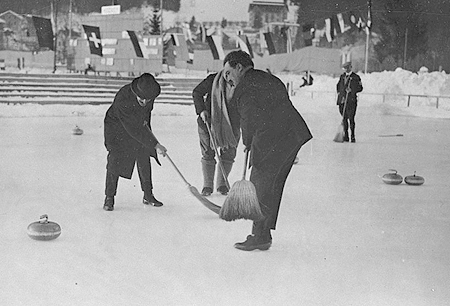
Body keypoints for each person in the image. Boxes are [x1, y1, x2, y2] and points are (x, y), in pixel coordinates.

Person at [222, 51, 313, 251]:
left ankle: (259, 235)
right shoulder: (269, 78)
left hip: (271, 139)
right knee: (272, 185)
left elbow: (248, 118)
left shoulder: (243, 88)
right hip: (292, 136)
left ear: (239, 67)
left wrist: (247, 141)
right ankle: (263, 234)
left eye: (229, 72)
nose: (228, 78)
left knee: (260, 185)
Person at [103, 73, 167, 211]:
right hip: (117, 128)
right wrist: (155, 144)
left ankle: (148, 195)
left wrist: (150, 140)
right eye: (141, 99)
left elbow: (145, 117)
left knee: (144, 156)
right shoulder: (123, 98)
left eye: (147, 100)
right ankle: (109, 197)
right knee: (115, 160)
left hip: (136, 126)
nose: (145, 102)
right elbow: (133, 129)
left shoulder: (148, 93)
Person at [192, 71, 240, 196]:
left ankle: (222, 184)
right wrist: (201, 110)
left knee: (229, 152)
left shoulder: (243, 83)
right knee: (208, 152)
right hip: (208, 122)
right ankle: (207, 185)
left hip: (232, 124)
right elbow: (197, 92)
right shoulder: (214, 79)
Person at [336, 62, 363, 142]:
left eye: (348, 68)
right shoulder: (342, 76)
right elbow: (338, 86)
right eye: (345, 68)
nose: (346, 70)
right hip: (343, 101)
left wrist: (352, 90)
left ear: (351, 67)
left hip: (351, 101)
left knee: (351, 119)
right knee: (344, 119)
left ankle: (353, 136)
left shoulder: (356, 77)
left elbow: (360, 88)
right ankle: (346, 136)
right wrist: (340, 93)